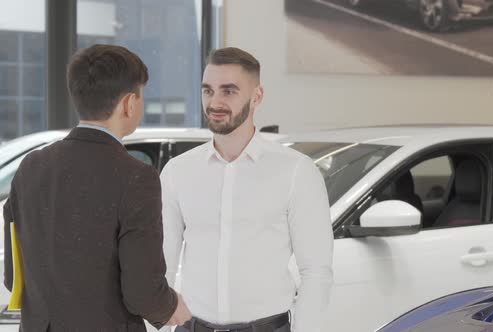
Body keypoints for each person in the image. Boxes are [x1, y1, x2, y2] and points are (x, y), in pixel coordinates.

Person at [2, 44, 191, 331]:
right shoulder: (136, 176)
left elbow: (14, 276)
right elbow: (142, 292)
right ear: (129, 103)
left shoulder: (31, 166)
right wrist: (173, 308)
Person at [160, 47, 334, 332]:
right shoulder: (178, 172)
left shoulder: (296, 171)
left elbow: (316, 272)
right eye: (207, 90)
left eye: (228, 91)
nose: (214, 102)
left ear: (257, 97)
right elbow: (161, 267)